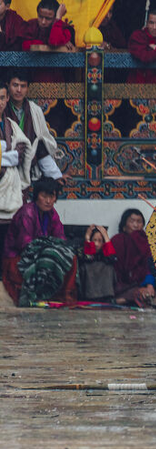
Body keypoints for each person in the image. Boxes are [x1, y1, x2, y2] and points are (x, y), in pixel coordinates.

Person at [2, 178, 77, 306]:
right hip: (18, 259)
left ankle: (64, 296)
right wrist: (49, 248)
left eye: (52, 196)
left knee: (70, 256)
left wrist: (56, 249)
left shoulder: (52, 214)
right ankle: (34, 297)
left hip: (42, 253)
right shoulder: (27, 213)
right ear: (37, 196)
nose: (48, 201)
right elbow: (25, 245)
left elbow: (60, 239)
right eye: (44, 196)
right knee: (48, 257)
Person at [4, 68, 63, 182]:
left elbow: (42, 142)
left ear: (28, 89)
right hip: (7, 164)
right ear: (8, 86)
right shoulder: (3, 108)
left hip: (30, 164)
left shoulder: (34, 110)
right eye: (15, 85)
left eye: (23, 86)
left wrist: (56, 176)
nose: (19, 90)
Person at [111, 209, 156, 307]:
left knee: (150, 293)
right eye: (132, 221)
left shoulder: (146, 242)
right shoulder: (117, 240)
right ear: (124, 226)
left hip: (140, 282)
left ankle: (127, 299)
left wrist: (150, 285)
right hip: (121, 283)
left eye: (139, 222)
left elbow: (148, 267)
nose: (136, 225)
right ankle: (128, 298)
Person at [0, 82, 31, 223]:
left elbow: (20, 152)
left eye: (1, 98)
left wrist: (3, 155)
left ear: (7, 99)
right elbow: (13, 154)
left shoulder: (10, 124)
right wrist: (8, 154)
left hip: (10, 186)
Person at [79, 225, 117, 302]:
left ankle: (107, 297)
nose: (96, 244)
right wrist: (87, 238)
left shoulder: (104, 252)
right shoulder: (82, 250)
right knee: (87, 267)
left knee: (108, 267)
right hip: (88, 291)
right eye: (94, 240)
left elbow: (112, 259)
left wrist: (106, 237)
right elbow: (88, 258)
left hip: (105, 291)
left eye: (100, 241)